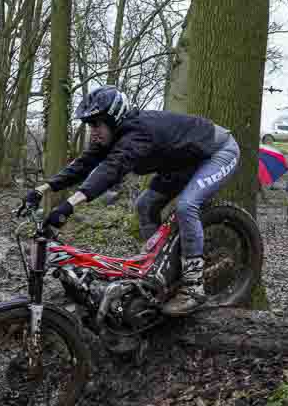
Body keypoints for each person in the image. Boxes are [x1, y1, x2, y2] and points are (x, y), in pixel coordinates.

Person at [23, 85, 240, 316]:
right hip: (183, 162)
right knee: (144, 205)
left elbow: (109, 170)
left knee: (187, 206)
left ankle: (194, 287)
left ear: (114, 119)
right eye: (89, 125)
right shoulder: (113, 137)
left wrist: (69, 206)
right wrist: (42, 189)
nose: (92, 131)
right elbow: (84, 164)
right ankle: (159, 268)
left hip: (217, 151)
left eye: (96, 124)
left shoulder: (139, 133)